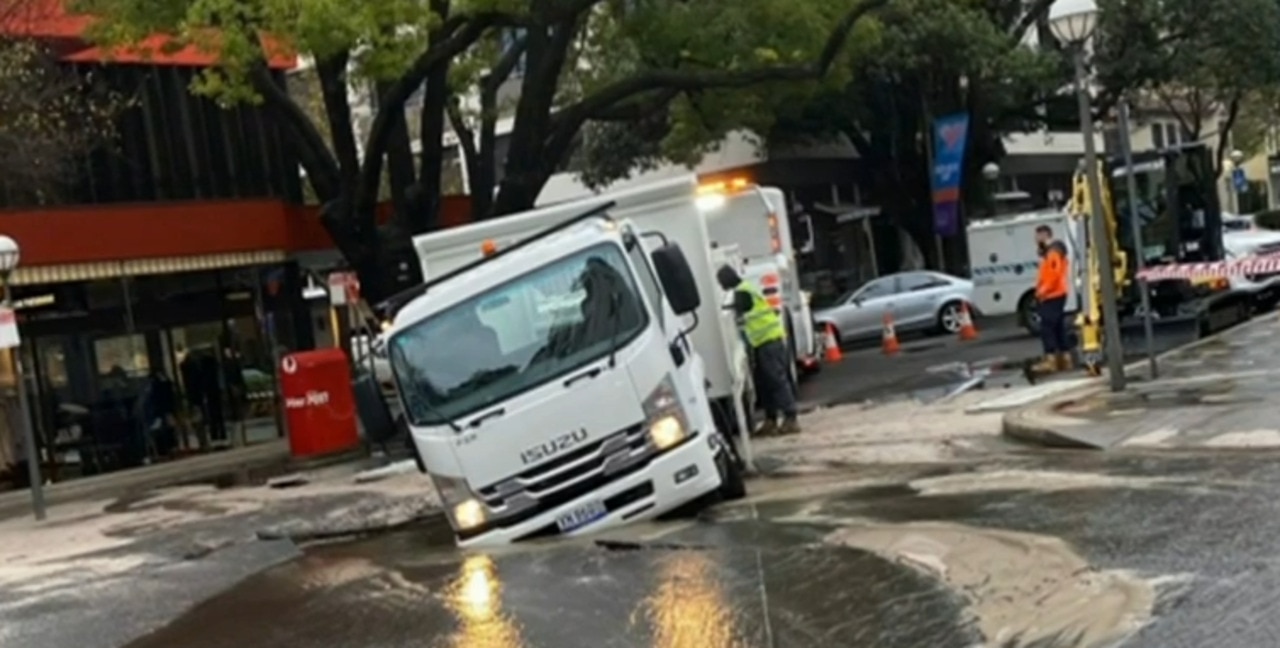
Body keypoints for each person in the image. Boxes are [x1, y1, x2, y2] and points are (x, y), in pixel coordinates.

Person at [716, 265, 799, 436]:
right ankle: (771, 420)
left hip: (769, 341)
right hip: (764, 342)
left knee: (776, 380)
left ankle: (790, 418)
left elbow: (739, 308)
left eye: (720, 282)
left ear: (726, 280)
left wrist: (724, 309)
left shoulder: (742, 292)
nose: (720, 285)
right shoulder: (745, 289)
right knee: (765, 383)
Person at [1033, 224, 1072, 372]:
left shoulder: (1053, 253)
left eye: (1037, 236)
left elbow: (1053, 275)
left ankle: (1051, 359)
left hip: (1053, 295)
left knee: (1047, 327)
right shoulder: (1051, 253)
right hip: (1055, 293)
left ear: (1045, 236)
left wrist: (1042, 291)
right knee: (1057, 326)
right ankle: (1064, 357)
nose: (1036, 240)